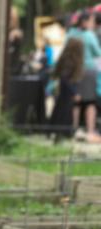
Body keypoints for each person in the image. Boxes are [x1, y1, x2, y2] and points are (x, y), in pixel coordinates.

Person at [66, 11, 101, 143]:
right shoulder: (89, 35)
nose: (93, 23)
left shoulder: (71, 33)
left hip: (73, 70)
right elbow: (98, 52)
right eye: (91, 21)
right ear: (85, 22)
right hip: (88, 70)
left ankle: (74, 129)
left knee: (76, 101)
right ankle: (90, 131)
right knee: (90, 102)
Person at [48, 36, 85, 140]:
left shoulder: (66, 59)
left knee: (61, 109)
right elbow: (65, 78)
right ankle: (61, 132)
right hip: (67, 91)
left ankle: (57, 131)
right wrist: (74, 92)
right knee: (64, 111)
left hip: (64, 90)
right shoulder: (70, 61)